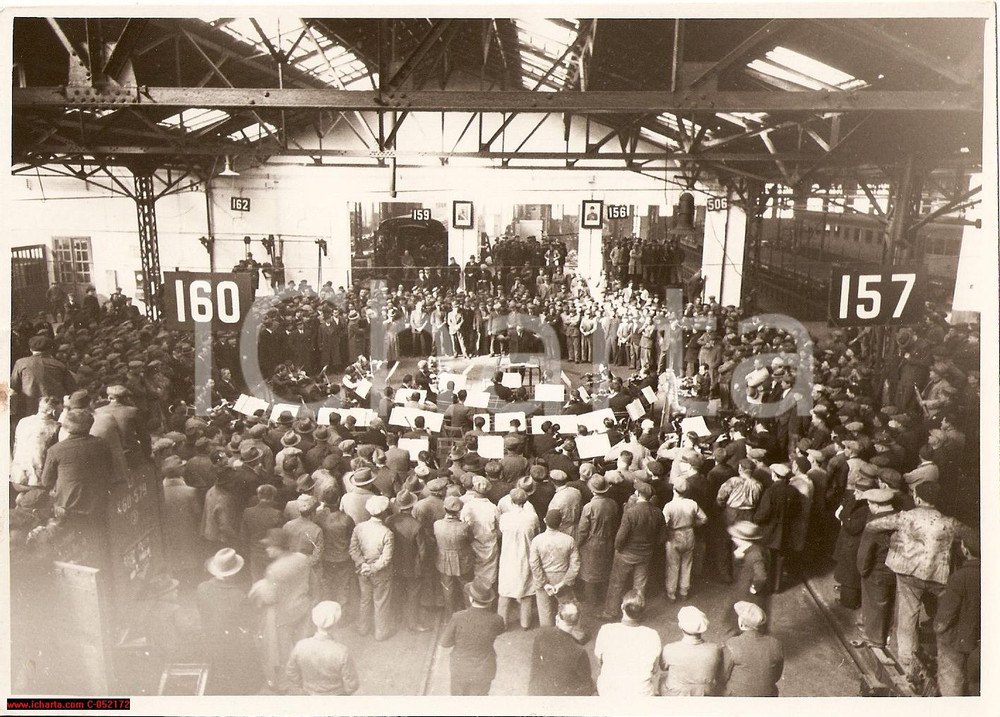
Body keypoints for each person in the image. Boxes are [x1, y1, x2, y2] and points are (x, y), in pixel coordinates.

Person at [865, 481, 975, 681]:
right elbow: (973, 538)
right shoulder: (949, 523)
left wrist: (891, 543)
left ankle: (907, 664)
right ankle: (945, 663)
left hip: (908, 573)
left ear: (917, 498)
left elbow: (873, 526)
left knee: (908, 615)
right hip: (937, 577)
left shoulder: (906, 517)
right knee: (944, 615)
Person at [39, 409, 113, 566]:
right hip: (97, 504)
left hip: (68, 508)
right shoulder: (102, 444)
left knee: (74, 547)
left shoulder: (56, 450)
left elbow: (45, 482)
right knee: (98, 543)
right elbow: (109, 471)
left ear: (66, 427)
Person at [249, 528, 314, 691]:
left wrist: (259, 588)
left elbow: (270, 598)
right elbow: (313, 581)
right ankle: (305, 674)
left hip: (283, 614)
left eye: (270, 546)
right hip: (302, 606)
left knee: (283, 649)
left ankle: (286, 682)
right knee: (301, 641)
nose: (267, 549)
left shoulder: (274, 569)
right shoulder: (302, 558)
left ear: (280, 548)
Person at [197, 548, 259, 694]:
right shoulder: (239, 595)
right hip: (233, 643)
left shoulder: (202, 588)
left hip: (210, 638)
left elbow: (202, 610)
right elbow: (248, 622)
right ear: (235, 571)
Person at [603, 481, 665, 620]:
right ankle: (636, 612)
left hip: (626, 554)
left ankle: (611, 612)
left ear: (637, 494)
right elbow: (662, 537)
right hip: (646, 554)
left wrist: (618, 549)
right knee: (640, 585)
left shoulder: (631, 512)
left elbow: (621, 536)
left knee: (617, 583)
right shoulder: (658, 512)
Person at [439, 579, 506, 696]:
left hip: (460, 668)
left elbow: (445, 643)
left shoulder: (458, 617)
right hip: (484, 670)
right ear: (489, 601)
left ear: (471, 599)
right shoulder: (497, 620)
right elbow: (499, 631)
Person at [934, 533, 980, 696]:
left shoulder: (959, 578)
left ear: (965, 550)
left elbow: (946, 615)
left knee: (951, 683)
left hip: (956, 640)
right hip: (978, 640)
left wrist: (938, 628)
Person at [593, 589, 662, 696]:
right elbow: (655, 668)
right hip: (641, 694)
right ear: (642, 611)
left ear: (622, 607)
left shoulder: (606, 630)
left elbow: (599, 663)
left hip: (609, 692)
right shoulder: (653, 635)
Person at [284, 601, 360, 696]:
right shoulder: (342, 651)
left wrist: (305, 686)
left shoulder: (301, 646)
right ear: (335, 623)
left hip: (308, 694)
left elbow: (290, 672)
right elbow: (352, 685)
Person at [348, 495, 395, 641]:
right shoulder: (387, 533)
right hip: (380, 573)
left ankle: (363, 628)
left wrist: (363, 565)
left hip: (362, 571)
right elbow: (386, 558)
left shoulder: (359, 528)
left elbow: (353, 550)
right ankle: (380, 633)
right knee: (380, 602)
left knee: (365, 600)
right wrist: (373, 568)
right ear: (384, 513)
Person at [527, 602, 595, 696]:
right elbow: (585, 680)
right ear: (578, 621)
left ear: (557, 617)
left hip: (541, 690)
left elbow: (535, 665)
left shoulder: (541, 635)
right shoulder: (579, 652)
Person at [529, 508, 581, 629]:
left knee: (544, 610)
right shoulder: (569, 540)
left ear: (545, 521)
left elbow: (534, 563)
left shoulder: (537, 540)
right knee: (568, 609)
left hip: (543, 578)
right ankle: (573, 633)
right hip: (562, 577)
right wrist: (563, 583)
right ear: (561, 523)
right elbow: (575, 564)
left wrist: (543, 583)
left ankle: (547, 636)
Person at [720, 601, 784, 696]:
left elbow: (723, 675)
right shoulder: (776, 644)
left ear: (741, 623)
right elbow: (777, 675)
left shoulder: (733, 644)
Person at [576, 473, 621, 607]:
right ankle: (602, 597)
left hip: (592, 543)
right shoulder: (613, 503)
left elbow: (583, 530)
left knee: (589, 573)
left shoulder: (589, 507)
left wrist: (578, 544)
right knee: (604, 570)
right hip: (608, 540)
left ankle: (592, 602)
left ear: (592, 489)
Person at [497, 487, 539, 630]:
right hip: (526, 555)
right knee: (526, 590)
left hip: (508, 557)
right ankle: (525, 623)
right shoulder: (532, 517)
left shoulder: (505, 518)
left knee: (505, 591)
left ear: (511, 500)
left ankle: (501, 623)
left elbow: (501, 533)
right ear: (525, 501)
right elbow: (537, 532)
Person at [10, 335, 75, 424]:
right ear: (50, 349)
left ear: (31, 349)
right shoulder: (59, 365)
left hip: (28, 409)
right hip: (53, 410)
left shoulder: (21, 363)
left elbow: (13, 387)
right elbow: (72, 388)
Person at [662, 475, 708, 602]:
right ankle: (684, 591)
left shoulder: (669, 506)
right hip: (689, 533)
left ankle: (671, 593)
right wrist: (693, 524)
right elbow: (704, 519)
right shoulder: (692, 503)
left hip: (674, 535)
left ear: (674, 490)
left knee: (673, 565)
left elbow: (664, 523)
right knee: (687, 563)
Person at [658, 606, 722, 696]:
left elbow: (663, 667)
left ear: (680, 626)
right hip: (705, 693)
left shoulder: (670, 649)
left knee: (662, 678)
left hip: (676, 694)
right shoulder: (715, 649)